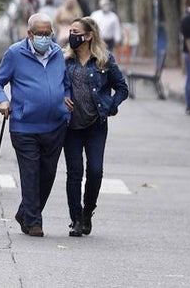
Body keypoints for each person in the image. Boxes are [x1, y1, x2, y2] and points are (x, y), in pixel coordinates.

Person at [0, 12, 71, 237]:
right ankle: (34, 222)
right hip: (24, 126)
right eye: (40, 34)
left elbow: (65, 83)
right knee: (31, 173)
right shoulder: (15, 53)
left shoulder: (57, 53)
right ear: (30, 34)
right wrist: (2, 100)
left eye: (48, 33)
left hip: (55, 125)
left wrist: (66, 97)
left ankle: (24, 211)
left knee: (48, 174)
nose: (45, 37)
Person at [62, 17, 128, 237]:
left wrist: (111, 105)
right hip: (71, 126)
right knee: (74, 173)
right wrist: (62, 97)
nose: (72, 35)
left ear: (89, 35)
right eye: (70, 31)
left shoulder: (104, 60)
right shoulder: (64, 60)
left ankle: (88, 211)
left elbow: (121, 88)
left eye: (76, 31)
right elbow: (54, 85)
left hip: (96, 125)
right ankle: (76, 219)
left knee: (95, 171)